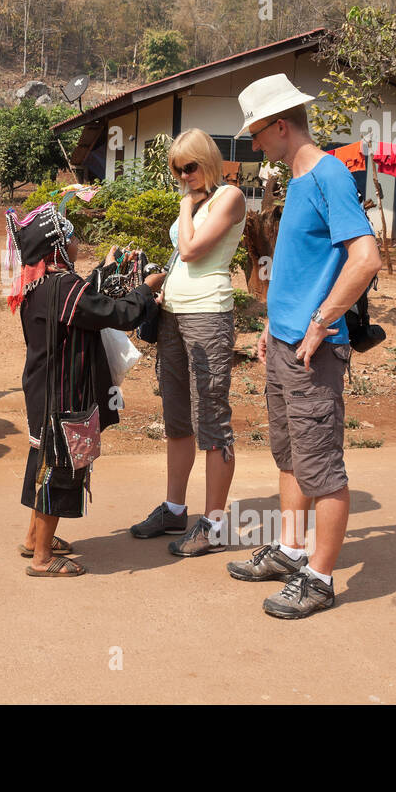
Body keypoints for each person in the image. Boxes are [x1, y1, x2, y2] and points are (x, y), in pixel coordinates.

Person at [225, 74, 381, 618]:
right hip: (286, 342)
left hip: (314, 348)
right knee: (292, 457)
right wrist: (275, 323)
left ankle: (320, 577)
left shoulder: (328, 175)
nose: (254, 143)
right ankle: (292, 553)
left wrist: (319, 324)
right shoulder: (299, 181)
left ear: (281, 126)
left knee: (322, 468)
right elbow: (299, 271)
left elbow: (365, 258)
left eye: (257, 133)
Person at [7, 203, 164, 577]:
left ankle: (34, 539)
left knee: (43, 460)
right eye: (72, 237)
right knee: (61, 467)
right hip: (64, 393)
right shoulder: (63, 287)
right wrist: (145, 289)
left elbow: (88, 300)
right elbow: (116, 313)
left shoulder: (41, 283)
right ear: (58, 248)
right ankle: (43, 558)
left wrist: (107, 269)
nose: (78, 242)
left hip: (43, 389)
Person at [130, 129, 247, 557]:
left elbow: (194, 249)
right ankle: (174, 508)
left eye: (190, 166)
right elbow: (181, 256)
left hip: (207, 316)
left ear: (207, 161)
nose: (184, 175)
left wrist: (184, 205)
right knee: (177, 418)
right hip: (174, 317)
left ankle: (214, 524)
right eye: (177, 170)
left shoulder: (229, 197)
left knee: (212, 419)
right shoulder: (196, 201)